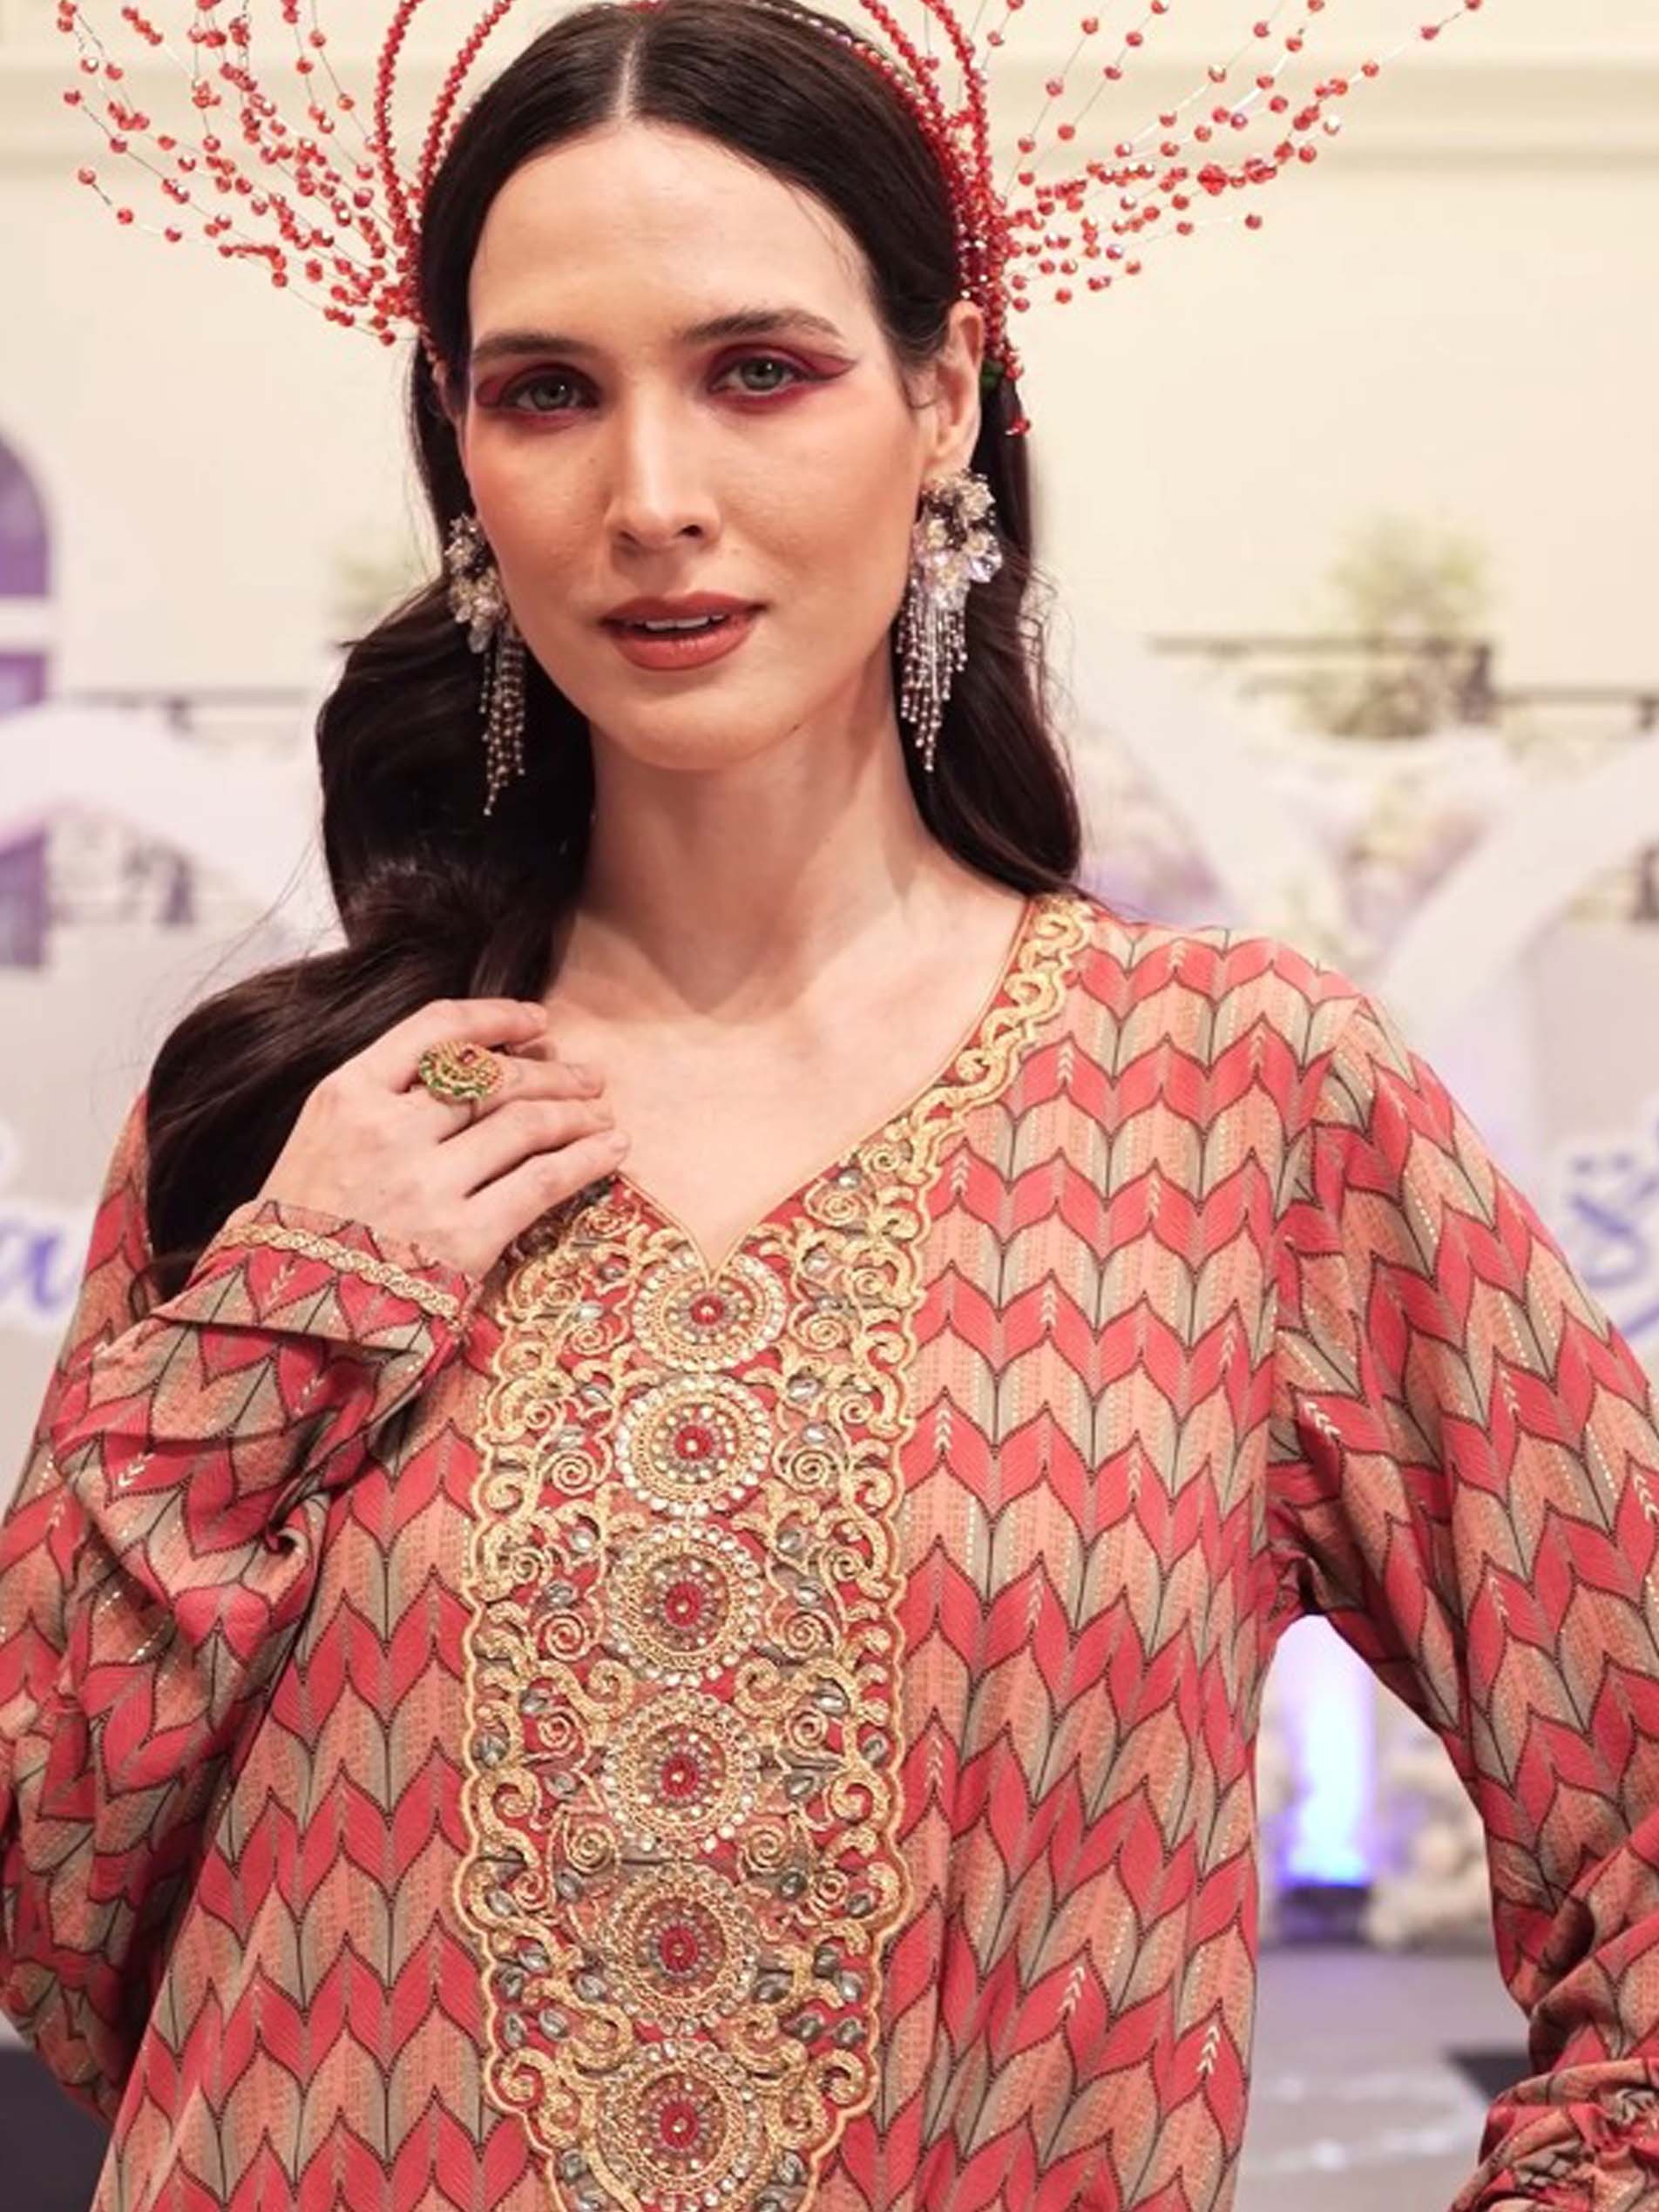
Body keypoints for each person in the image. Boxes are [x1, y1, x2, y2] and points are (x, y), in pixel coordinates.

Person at [5, 2, 1657, 2209]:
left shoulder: (1238, 1107)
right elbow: (55, 1917)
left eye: (757, 372)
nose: (650, 498)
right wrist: (282, 1325)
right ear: (461, 453)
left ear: (942, 395)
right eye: (546, 392)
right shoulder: (306, 1124)